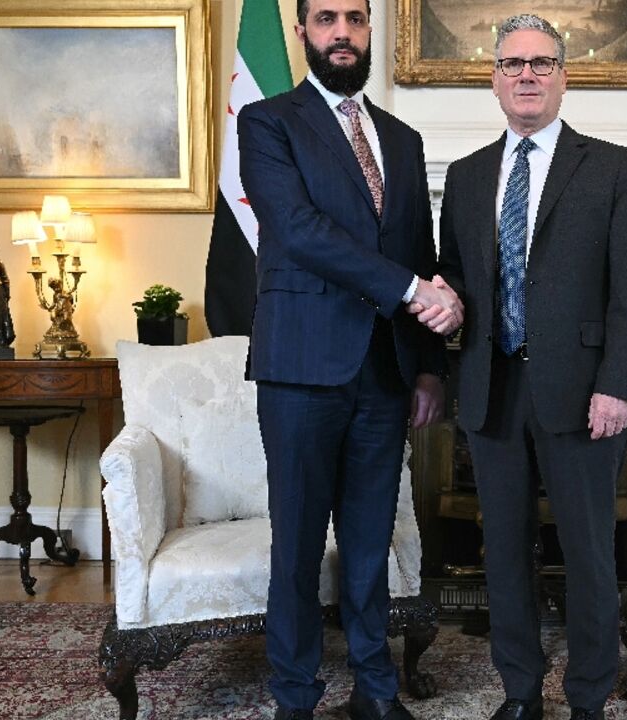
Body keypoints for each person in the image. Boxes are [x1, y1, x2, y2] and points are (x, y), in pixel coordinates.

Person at [237, 1, 461, 718]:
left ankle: (375, 688)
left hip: (384, 372)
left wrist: (428, 365)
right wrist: (409, 290)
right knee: (298, 547)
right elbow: (299, 231)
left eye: (356, 19)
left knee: (370, 546)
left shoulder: (401, 136)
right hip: (301, 368)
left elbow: (417, 251)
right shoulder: (268, 122)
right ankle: (296, 697)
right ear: (302, 32)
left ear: (370, 32)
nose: (342, 32)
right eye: (327, 18)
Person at [433, 14, 627, 720]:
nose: (527, 75)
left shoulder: (612, 165)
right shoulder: (465, 177)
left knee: (589, 553)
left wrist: (618, 384)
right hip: (492, 391)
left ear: (564, 76)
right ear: (494, 79)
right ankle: (521, 692)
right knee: (504, 554)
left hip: (584, 392)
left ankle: (589, 696)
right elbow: (457, 280)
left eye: (542, 64)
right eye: (513, 64)